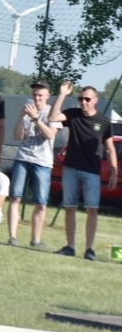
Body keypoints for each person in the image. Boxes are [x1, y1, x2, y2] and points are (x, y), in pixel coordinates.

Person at [48, 82, 118, 261]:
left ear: (95, 100)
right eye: (81, 99)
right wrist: (63, 94)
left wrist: (113, 172)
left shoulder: (103, 121)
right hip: (71, 169)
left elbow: (110, 148)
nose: (83, 102)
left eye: (87, 99)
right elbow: (52, 116)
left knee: (91, 210)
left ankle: (89, 250)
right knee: (70, 208)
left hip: (92, 173)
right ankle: (70, 247)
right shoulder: (73, 114)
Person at [7, 81, 62, 249]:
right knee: (15, 197)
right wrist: (20, 117)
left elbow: (50, 135)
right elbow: (17, 136)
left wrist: (36, 119)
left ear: (47, 96)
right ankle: (12, 237)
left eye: (40, 95)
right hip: (23, 157)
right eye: (34, 95)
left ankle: (36, 240)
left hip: (43, 162)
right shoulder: (27, 110)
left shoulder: (52, 112)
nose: (37, 98)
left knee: (40, 202)